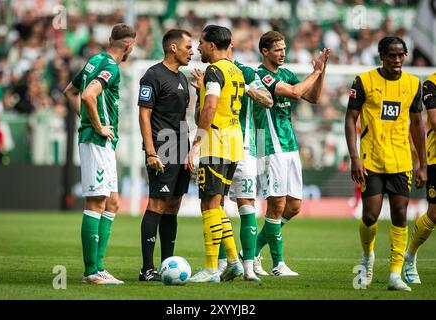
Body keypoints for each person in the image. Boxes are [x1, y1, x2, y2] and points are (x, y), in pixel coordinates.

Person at [345, 36, 426, 291]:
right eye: (392, 55)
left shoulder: (413, 85)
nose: (397, 60)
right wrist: (355, 156)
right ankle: (367, 256)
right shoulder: (364, 81)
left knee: (401, 214)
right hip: (371, 159)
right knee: (370, 216)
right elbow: (350, 119)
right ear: (381, 56)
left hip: (401, 160)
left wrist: (422, 163)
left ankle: (394, 274)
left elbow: (417, 124)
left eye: (401, 55)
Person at [63, 23, 136, 285]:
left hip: (101, 143)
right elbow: (88, 96)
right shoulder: (111, 67)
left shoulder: (94, 60)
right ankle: (91, 272)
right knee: (95, 203)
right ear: (129, 45)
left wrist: (86, 120)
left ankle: (100, 267)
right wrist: (97, 125)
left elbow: (70, 91)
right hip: (97, 140)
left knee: (113, 202)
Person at [252, 31, 330, 276]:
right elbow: (296, 93)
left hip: (289, 145)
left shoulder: (286, 74)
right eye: (277, 49)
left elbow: (314, 97)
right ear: (265, 52)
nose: (283, 53)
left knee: (294, 206)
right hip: (270, 145)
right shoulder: (260, 75)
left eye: (284, 49)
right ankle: (278, 264)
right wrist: (315, 72)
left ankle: (252, 250)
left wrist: (322, 70)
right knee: (276, 205)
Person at [185, 25, 246, 283]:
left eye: (200, 43)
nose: (197, 48)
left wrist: (196, 144)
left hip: (216, 143)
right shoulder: (236, 71)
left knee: (209, 203)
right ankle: (233, 262)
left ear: (211, 45)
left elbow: (209, 108)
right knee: (217, 204)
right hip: (234, 144)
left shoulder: (214, 70)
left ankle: (211, 268)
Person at [137, 29, 193, 281]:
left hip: (181, 149)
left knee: (173, 207)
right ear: (173, 48)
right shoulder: (153, 75)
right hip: (162, 148)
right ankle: (146, 268)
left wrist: (189, 151)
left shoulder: (181, 78)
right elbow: (144, 115)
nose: (192, 51)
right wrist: (150, 151)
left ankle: (166, 264)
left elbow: (182, 117)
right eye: (188, 46)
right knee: (157, 204)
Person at [403, 72, 436, 284]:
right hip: (435, 159)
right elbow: (434, 119)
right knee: (434, 213)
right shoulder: (431, 83)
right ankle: (410, 256)